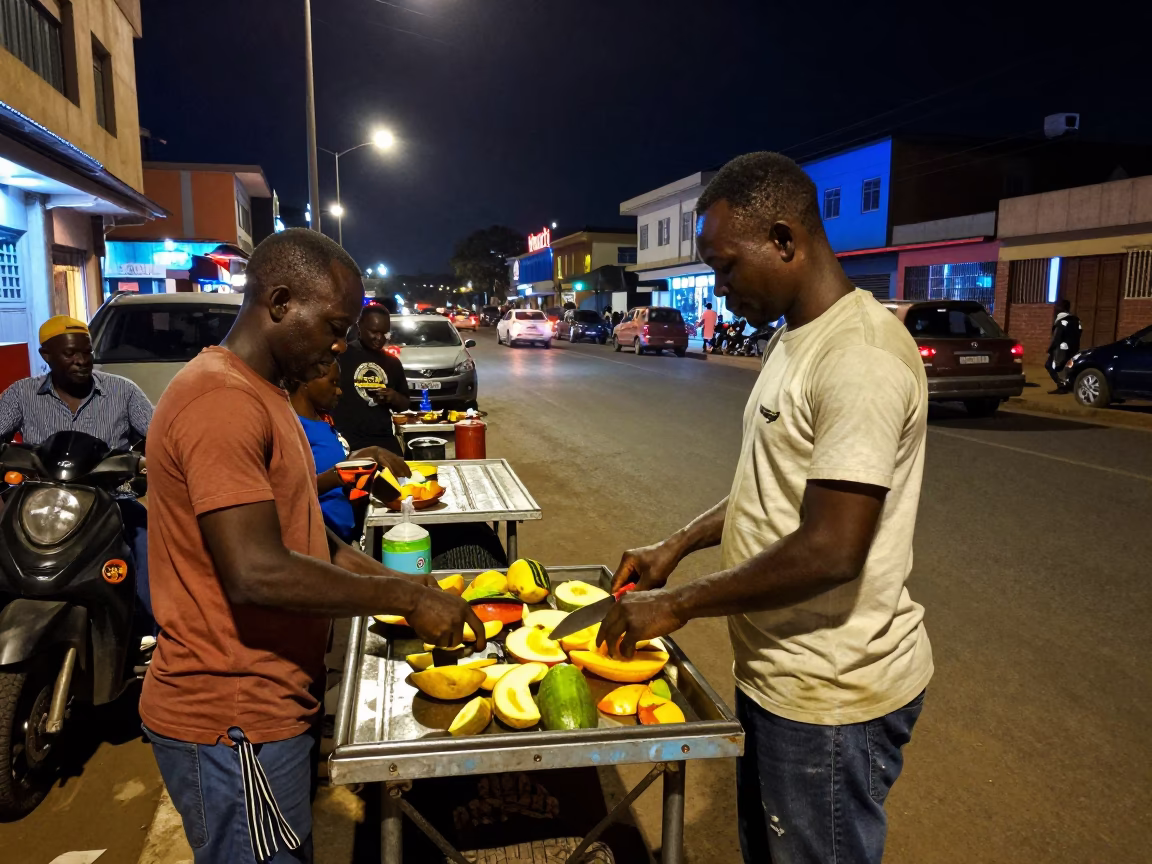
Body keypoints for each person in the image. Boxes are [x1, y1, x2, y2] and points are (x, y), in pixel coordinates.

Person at [598, 153, 932, 864]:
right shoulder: (794, 339)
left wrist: (680, 603)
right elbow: (769, 486)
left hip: (831, 696)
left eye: (725, 267)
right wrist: (676, 544)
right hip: (781, 677)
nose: (721, 287)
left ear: (784, 239)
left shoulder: (860, 358)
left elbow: (832, 549)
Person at [140, 229, 484, 864]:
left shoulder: (268, 398)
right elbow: (254, 572)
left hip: (271, 706)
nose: (340, 345)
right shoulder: (221, 401)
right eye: (333, 325)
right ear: (277, 301)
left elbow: (312, 543)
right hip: (232, 717)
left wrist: (412, 589)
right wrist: (403, 597)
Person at [0, 315, 154, 620]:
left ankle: (147, 632)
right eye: (70, 354)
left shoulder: (123, 391)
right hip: (40, 508)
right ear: (46, 356)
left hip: (111, 502)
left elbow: (158, 435)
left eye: (87, 352)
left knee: (146, 541)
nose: (81, 361)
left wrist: (148, 464)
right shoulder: (21, 394)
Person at [290, 360, 408, 544]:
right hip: (320, 542)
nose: (339, 391)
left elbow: (336, 470)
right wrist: (345, 473)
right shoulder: (293, 427)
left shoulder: (322, 421)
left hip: (345, 538)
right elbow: (291, 490)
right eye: (333, 383)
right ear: (306, 381)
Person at [330, 303, 410, 455]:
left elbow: (404, 404)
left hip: (382, 438)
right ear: (360, 326)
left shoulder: (392, 362)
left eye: (384, 333)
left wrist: (393, 397)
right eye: (374, 332)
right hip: (347, 439)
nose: (379, 338)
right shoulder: (341, 357)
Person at [1047, 299, 1082, 392]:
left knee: (1050, 365)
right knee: (1068, 367)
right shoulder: (1075, 319)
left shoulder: (1060, 320)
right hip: (1073, 348)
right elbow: (1079, 332)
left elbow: (1057, 337)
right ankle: (1067, 385)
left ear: (1060, 308)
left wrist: (1050, 349)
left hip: (1061, 349)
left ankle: (1061, 386)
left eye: (1057, 306)